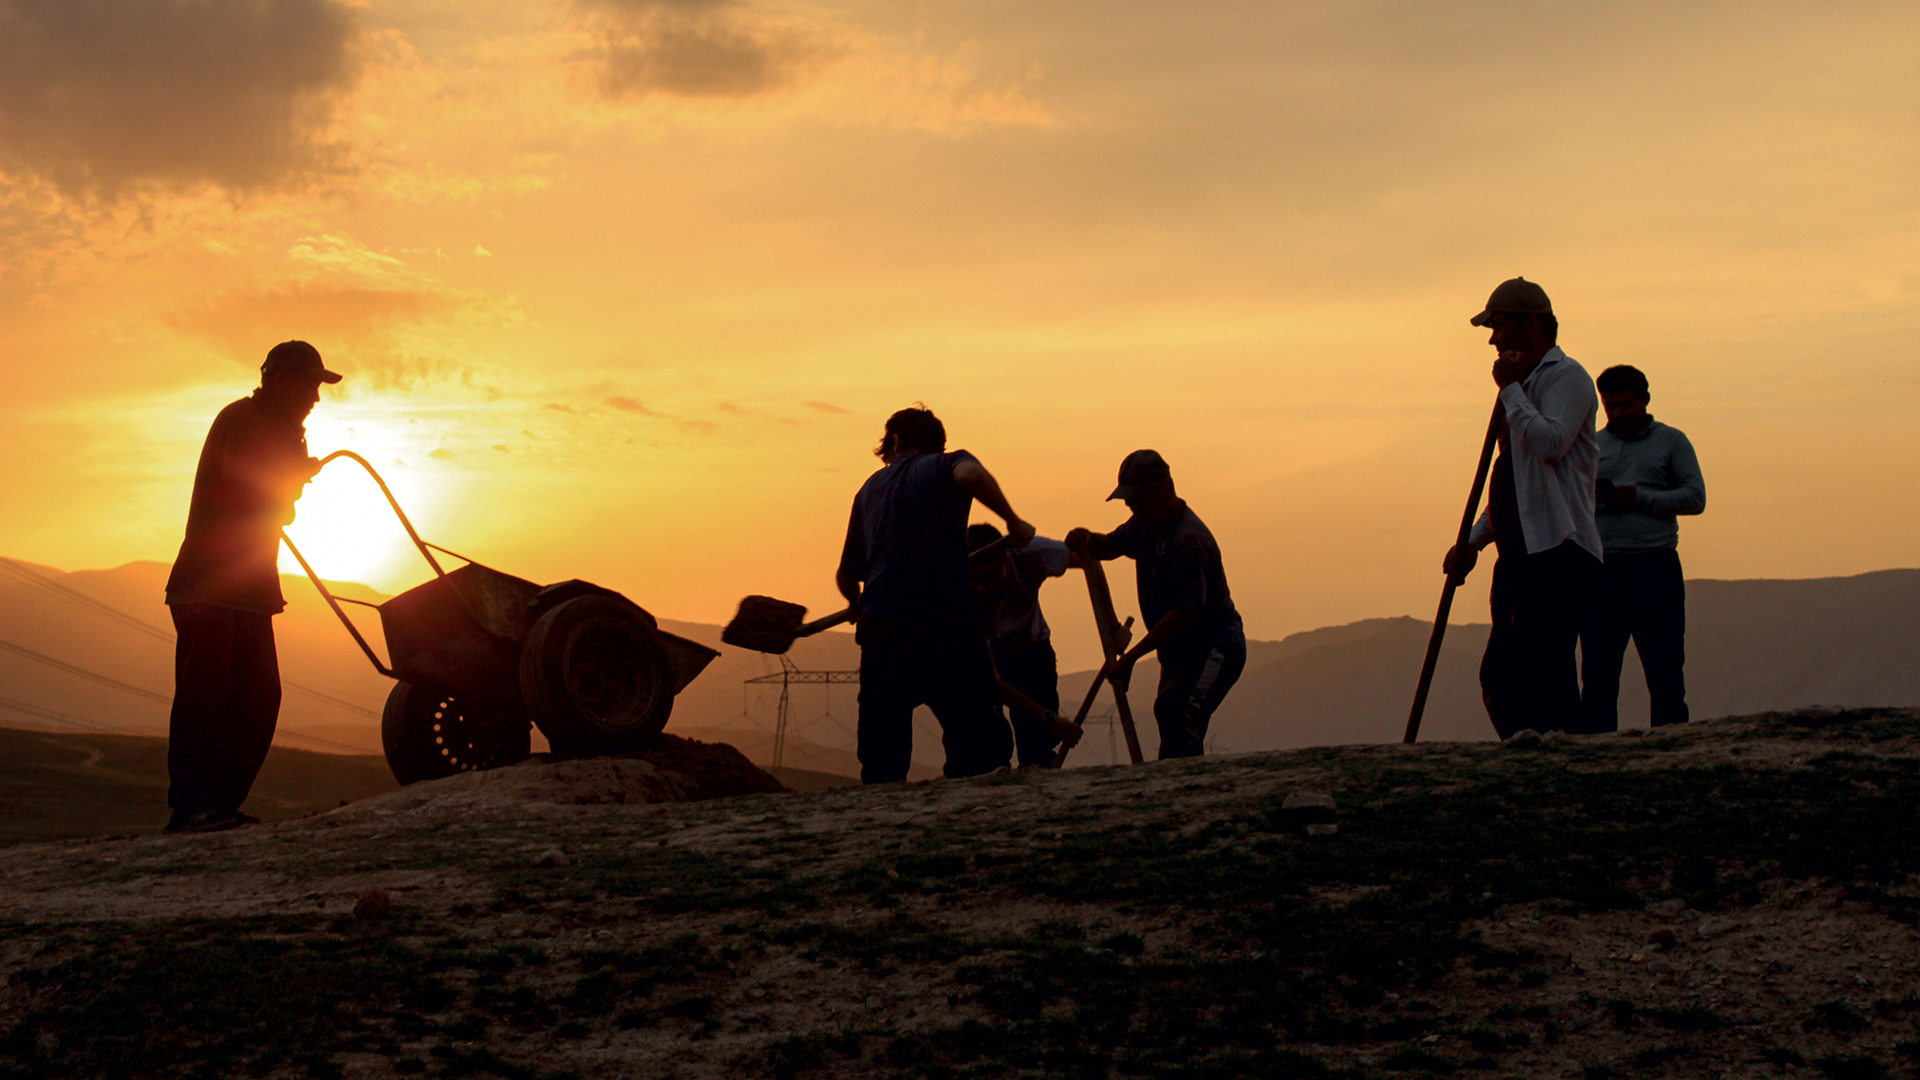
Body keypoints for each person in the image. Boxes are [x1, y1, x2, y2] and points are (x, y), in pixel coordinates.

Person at [162, 341, 338, 833]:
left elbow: (280, 509)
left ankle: (219, 804)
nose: (315, 398)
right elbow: (247, 491)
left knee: (259, 698)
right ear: (279, 380)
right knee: (207, 698)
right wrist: (290, 479)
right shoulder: (241, 420)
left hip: (251, 590)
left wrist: (292, 479)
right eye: (309, 385)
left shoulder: (288, 433)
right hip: (208, 586)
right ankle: (192, 809)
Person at [836, 406, 1033, 783]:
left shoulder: (868, 490)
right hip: (945, 625)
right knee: (979, 748)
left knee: (882, 759)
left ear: (894, 441)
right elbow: (972, 475)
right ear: (938, 445)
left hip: (883, 634)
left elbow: (848, 575)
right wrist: (1011, 519)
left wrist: (854, 604)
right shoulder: (946, 465)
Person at [1443, 277, 1603, 738]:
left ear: (1532, 326)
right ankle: (1527, 752)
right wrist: (1471, 542)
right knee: (1501, 674)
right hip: (1519, 553)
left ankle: (1562, 755)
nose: (1493, 340)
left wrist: (1511, 391)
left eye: (1499, 326)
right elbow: (1515, 485)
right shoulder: (1521, 386)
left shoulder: (1566, 377)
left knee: (1546, 667)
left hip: (1559, 550)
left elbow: (1551, 444)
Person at [1067, 450, 1244, 759]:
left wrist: (1131, 658)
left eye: (1137, 500)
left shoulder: (1187, 540)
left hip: (1213, 647)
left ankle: (1188, 786)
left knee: (1179, 710)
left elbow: (1183, 614)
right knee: (1169, 714)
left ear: (1164, 490)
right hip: (1180, 650)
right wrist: (1089, 540)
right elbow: (1113, 546)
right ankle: (1176, 782)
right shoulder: (1145, 524)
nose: (1131, 507)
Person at [1580, 365, 1705, 731]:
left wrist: (1637, 498)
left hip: (1655, 568)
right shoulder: (1591, 445)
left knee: (1665, 671)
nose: (1617, 414)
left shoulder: (1672, 442)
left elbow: (1695, 498)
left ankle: (1670, 750)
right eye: (1611, 407)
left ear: (1645, 400)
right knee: (1599, 675)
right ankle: (1597, 754)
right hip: (1602, 571)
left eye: (1626, 405)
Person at [966, 523, 1084, 767]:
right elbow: (992, 680)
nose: (983, 586)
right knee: (984, 741)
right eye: (975, 579)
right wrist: (1049, 717)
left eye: (990, 575)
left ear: (1007, 560)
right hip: (986, 657)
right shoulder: (954, 593)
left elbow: (1087, 560)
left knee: (1038, 745)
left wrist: (1112, 626)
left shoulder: (1033, 554)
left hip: (1032, 648)